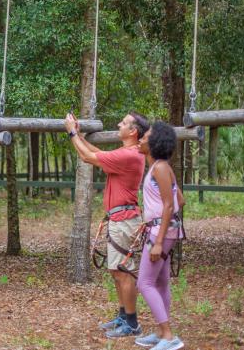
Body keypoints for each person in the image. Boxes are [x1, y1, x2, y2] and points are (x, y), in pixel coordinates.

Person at [65, 111, 149, 338]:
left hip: (125, 221)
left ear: (132, 131)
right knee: (116, 271)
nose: (118, 124)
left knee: (124, 272)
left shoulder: (131, 155)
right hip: (118, 219)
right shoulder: (125, 152)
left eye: (123, 122)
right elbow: (98, 153)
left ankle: (132, 323)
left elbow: (87, 158)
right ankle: (123, 316)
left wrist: (71, 132)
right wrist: (80, 136)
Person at [134, 121, 185, 350]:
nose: (142, 138)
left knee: (144, 283)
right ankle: (161, 331)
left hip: (160, 233)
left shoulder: (161, 168)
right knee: (161, 282)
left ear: (155, 143)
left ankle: (167, 336)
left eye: (147, 136)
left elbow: (168, 206)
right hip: (162, 229)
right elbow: (179, 200)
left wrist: (158, 242)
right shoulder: (160, 168)